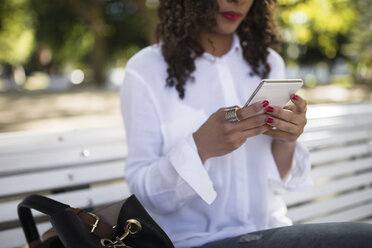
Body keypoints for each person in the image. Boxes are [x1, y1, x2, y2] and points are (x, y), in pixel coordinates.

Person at [120, 0, 372, 247]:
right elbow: (144, 196)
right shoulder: (146, 69)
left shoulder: (269, 62)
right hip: (194, 241)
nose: (238, 1)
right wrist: (199, 148)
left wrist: (286, 138)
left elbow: (275, 180)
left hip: (271, 230)